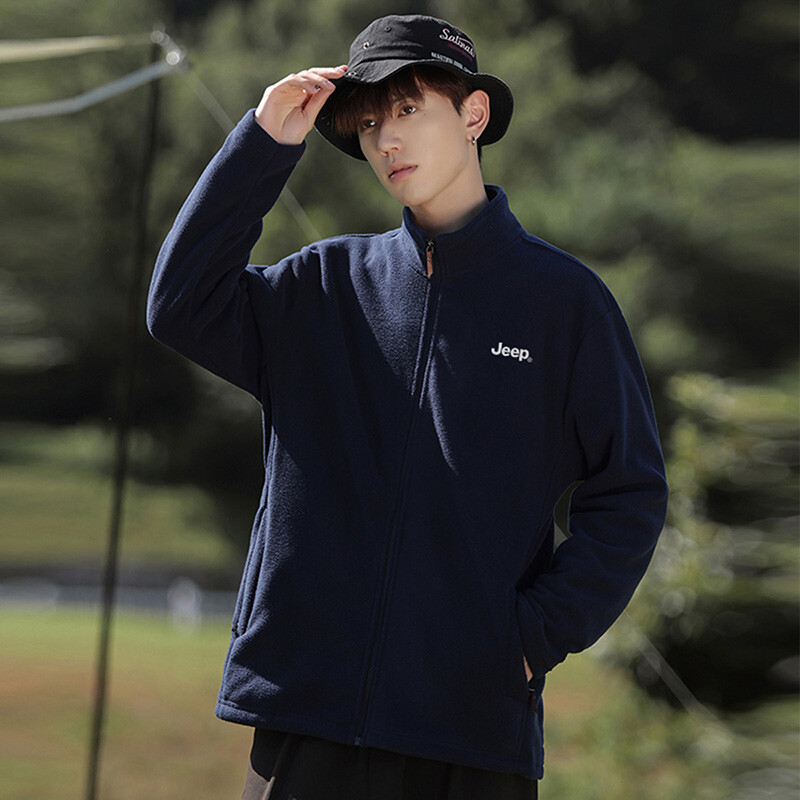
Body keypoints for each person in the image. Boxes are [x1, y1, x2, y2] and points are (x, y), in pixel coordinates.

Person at [147, 13, 668, 799]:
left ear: (473, 114)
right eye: (366, 124)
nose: (386, 139)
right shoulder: (320, 287)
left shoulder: (565, 305)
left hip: (470, 735)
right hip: (304, 718)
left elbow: (630, 492)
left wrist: (530, 638)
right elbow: (178, 304)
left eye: (408, 109)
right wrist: (263, 143)